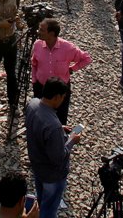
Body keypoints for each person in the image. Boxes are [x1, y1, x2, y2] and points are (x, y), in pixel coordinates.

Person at [25, 78, 82, 218]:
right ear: (56, 97)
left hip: (37, 166)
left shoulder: (33, 104)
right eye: (63, 97)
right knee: (49, 208)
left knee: (40, 200)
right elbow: (58, 157)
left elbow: (37, 127)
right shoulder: (52, 125)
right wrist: (72, 141)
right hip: (52, 175)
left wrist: (60, 129)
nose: (63, 101)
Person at [31, 18, 92, 124]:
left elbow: (86, 58)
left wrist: (72, 69)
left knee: (60, 118)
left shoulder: (68, 48)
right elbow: (34, 63)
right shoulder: (37, 45)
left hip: (60, 91)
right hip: (41, 87)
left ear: (51, 33)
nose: (38, 32)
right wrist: (34, 80)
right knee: (40, 117)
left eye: (41, 30)